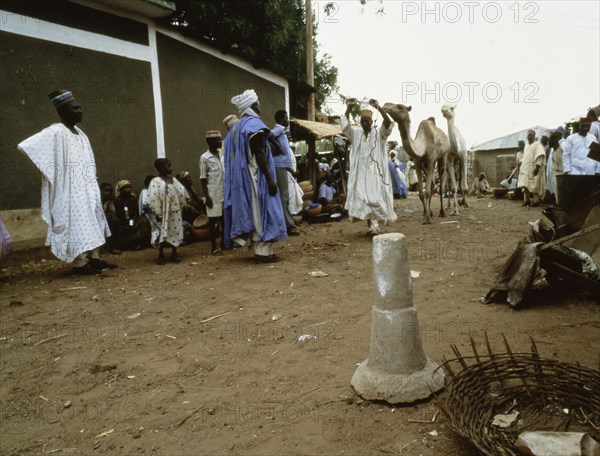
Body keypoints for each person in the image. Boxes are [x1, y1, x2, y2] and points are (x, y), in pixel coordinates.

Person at [17, 90, 116, 275]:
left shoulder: (81, 133)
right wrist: (55, 173)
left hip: (87, 186)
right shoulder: (56, 131)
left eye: (79, 107)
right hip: (70, 190)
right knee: (77, 225)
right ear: (63, 111)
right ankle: (80, 264)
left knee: (93, 221)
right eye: (75, 108)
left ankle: (94, 259)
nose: (80, 111)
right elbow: (28, 146)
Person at [223, 89, 287, 262]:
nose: (260, 107)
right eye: (257, 104)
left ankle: (256, 251)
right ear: (253, 106)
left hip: (246, 178)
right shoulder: (253, 125)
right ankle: (262, 253)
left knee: (252, 211)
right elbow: (259, 153)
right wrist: (270, 180)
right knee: (263, 212)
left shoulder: (238, 127)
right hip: (257, 177)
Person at [342, 98, 396, 235]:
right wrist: (349, 108)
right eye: (362, 122)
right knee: (364, 199)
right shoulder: (356, 134)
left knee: (375, 198)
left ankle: (375, 225)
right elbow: (345, 126)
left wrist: (378, 107)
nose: (364, 124)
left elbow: (388, 123)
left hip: (375, 174)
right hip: (360, 174)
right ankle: (372, 226)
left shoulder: (379, 134)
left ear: (372, 122)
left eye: (367, 122)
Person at [148, 158, 187, 265]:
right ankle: (161, 254)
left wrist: (183, 204)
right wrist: (157, 213)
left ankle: (174, 252)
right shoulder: (155, 182)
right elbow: (153, 198)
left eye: (171, 165)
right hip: (161, 213)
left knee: (175, 231)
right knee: (160, 232)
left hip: (174, 212)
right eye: (168, 166)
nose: (171, 168)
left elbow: (182, 192)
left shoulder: (173, 180)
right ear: (160, 168)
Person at [271, 110, 300, 236]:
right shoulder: (279, 129)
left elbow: (284, 159)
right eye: (286, 118)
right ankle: (289, 225)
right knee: (284, 197)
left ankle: (287, 223)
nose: (288, 120)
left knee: (284, 197)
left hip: (282, 167)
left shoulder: (282, 132)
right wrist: (277, 145)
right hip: (278, 167)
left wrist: (291, 171)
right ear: (281, 120)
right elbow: (268, 135)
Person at [200, 130, 226, 254]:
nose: (220, 142)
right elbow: (203, 179)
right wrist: (207, 197)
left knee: (224, 219)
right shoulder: (204, 158)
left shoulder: (222, 154)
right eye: (217, 140)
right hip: (213, 194)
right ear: (209, 142)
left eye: (220, 139)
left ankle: (224, 244)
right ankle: (214, 247)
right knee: (213, 221)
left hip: (224, 192)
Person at [113, 180, 150, 250]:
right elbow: (117, 213)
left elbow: (135, 213)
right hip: (121, 221)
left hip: (132, 221)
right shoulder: (117, 200)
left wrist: (131, 222)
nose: (128, 189)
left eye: (129, 187)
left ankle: (136, 243)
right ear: (121, 190)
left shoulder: (133, 198)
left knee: (144, 221)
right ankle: (124, 245)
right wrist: (123, 221)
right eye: (126, 188)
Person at [517, 130, 546, 207]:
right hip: (525, 168)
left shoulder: (538, 144)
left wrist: (537, 166)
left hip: (533, 168)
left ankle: (536, 202)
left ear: (534, 136)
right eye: (528, 135)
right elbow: (526, 157)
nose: (529, 136)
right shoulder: (526, 146)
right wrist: (520, 161)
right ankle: (527, 201)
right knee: (525, 184)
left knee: (534, 185)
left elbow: (540, 156)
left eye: (531, 135)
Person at [100, 182, 120, 254]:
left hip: (106, 220)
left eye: (110, 191)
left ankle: (112, 247)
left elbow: (112, 212)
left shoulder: (109, 201)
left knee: (114, 222)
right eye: (106, 191)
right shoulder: (97, 200)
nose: (108, 193)